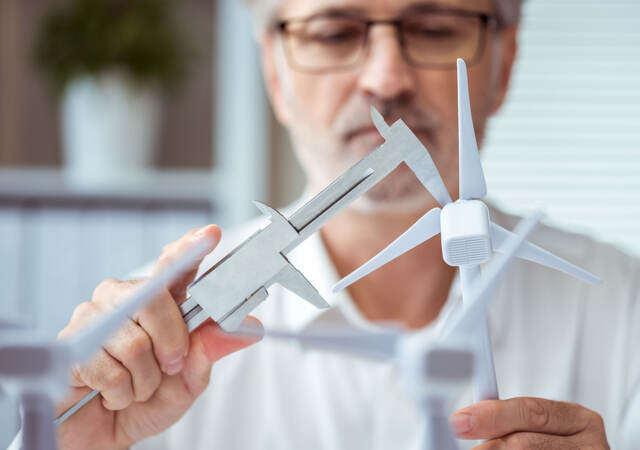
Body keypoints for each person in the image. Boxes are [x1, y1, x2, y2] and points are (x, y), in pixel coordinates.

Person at [46, 0, 639, 449]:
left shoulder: (624, 314)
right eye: (334, 32)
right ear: (274, 75)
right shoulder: (139, 359)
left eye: (433, 28)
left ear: (505, 63)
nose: (386, 79)